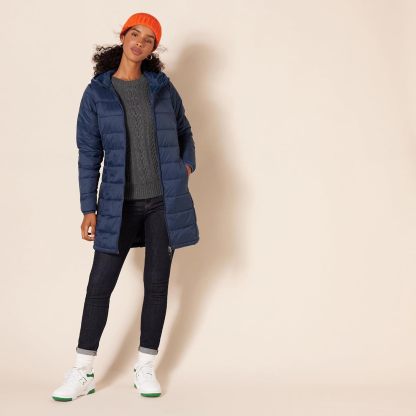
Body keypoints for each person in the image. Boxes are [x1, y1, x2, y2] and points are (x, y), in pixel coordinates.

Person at [51, 12, 199, 401]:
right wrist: (88, 207)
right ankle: (82, 370)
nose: (140, 43)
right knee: (99, 285)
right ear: (123, 37)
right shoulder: (97, 93)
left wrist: (185, 165)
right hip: (118, 205)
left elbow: (184, 131)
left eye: (149, 39)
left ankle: (145, 365)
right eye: (135, 34)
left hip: (162, 203)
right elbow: (88, 154)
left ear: (153, 49)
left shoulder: (162, 88)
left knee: (157, 285)